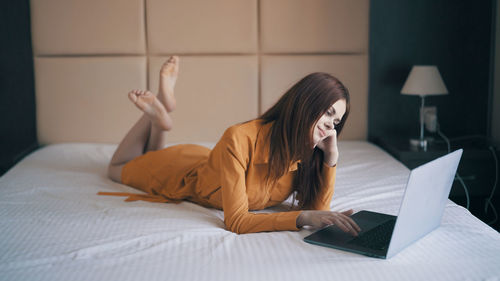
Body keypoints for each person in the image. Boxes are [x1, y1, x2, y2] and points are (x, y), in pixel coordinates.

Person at [103, 56, 361, 235]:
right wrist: (300, 218)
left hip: (209, 162)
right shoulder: (239, 137)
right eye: (327, 113)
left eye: (336, 122)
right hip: (178, 173)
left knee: (149, 154)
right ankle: (159, 120)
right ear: (305, 104)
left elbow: (318, 211)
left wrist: (331, 158)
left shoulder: (306, 153)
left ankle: (160, 121)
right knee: (116, 168)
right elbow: (237, 221)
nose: (331, 127)